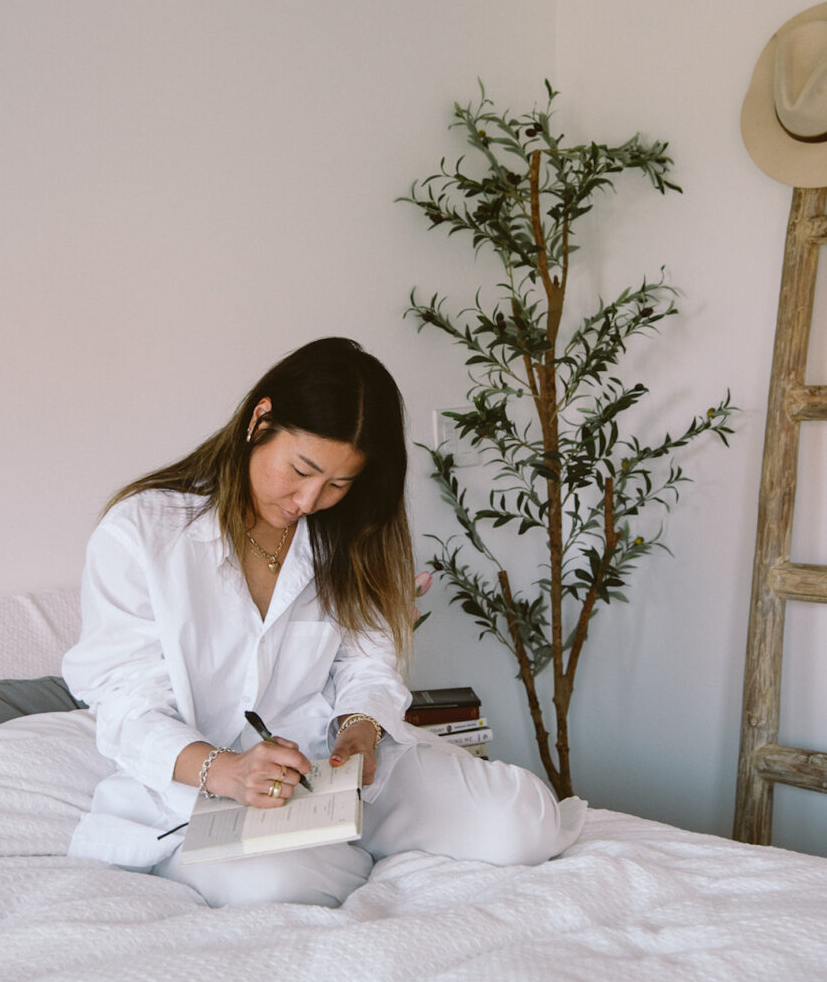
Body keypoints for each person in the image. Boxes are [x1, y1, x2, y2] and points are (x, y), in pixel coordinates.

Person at [64, 336, 585, 908]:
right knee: (275, 888)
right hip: (203, 785)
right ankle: (338, 852)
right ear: (260, 420)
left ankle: (346, 839)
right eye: (301, 470)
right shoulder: (142, 533)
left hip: (337, 773)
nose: (310, 499)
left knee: (524, 823)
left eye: (339, 483)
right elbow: (124, 702)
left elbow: (366, 660)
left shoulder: (352, 532)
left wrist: (359, 731)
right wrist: (229, 770)